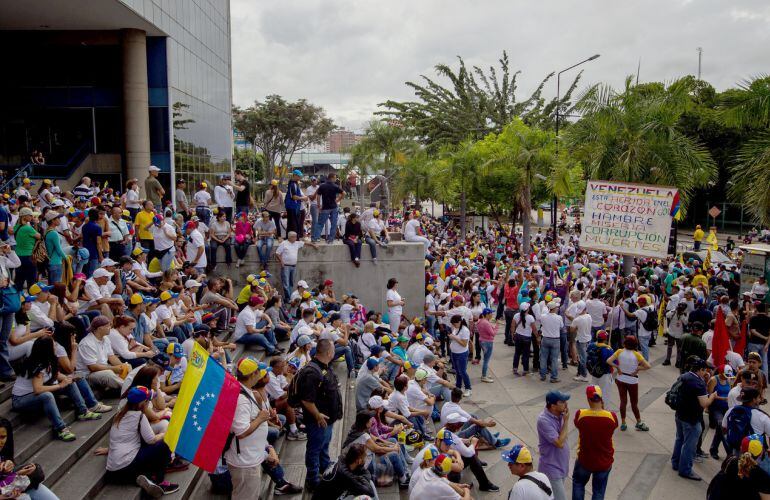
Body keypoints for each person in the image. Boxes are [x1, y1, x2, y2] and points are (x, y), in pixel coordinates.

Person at [12, 337, 102, 442]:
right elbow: (38, 389)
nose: (56, 346)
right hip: (21, 400)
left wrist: (71, 379)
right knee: (47, 395)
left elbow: (56, 375)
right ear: (47, 349)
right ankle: (61, 429)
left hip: (36, 394)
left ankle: (83, 411)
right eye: (54, 344)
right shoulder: (37, 365)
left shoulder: (50, 359)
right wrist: (60, 385)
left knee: (70, 382)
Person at [105, 386, 178, 497]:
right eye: (147, 401)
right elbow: (152, 440)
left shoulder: (119, 415)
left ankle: (147, 477)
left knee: (147, 448)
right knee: (164, 444)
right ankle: (159, 481)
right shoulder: (139, 416)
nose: (148, 403)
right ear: (141, 403)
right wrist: (165, 434)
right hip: (128, 464)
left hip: (113, 471)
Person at [297, 339, 343, 490]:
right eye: (333, 349)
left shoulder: (323, 366)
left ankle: (324, 465)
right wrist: (317, 415)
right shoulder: (311, 372)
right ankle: (312, 478)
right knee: (314, 448)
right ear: (329, 352)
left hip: (327, 419)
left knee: (324, 445)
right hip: (318, 421)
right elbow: (306, 399)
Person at [672, 356, 717, 481]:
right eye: (706, 370)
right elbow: (704, 403)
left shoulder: (685, 376)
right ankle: (685, 470)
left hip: (680, 414)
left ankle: (676, 462)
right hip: (691, 419)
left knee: (679, 439)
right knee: (690, 446)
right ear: (701, 369)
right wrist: (712, 396)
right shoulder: (698, 383)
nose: (707, 372)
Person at [572, 385, 618, 500]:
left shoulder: (580, 414)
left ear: (588, 399)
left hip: (585, 460)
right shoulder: (611, 417)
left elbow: (577, 424)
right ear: (601, 399)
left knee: (578, 484)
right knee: (598, 491)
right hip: (604, 461)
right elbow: (614, 426)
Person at [0, 417, 60, 500]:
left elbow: (7, 481)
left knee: (37, 487)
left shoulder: (4, 453)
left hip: (9, 490)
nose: (0, 442)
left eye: (2, 437)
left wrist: (20, 473)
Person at [605, 335, 650, 432]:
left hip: (621, 379)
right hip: (632, 380)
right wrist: (638, 368)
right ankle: (638, 422)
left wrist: (617, 367)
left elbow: (608, 361)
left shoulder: (619, 351)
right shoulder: (637, 354)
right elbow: (648, 366)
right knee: (634, 404)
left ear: (624, 343)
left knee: (623, 401)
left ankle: (624, 423)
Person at [75, 315, 131, 391]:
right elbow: (92, 367)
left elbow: (112, 357)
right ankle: (129, 389)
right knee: (108, 374)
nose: (110, 328)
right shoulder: (87, 343)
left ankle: (129, 386)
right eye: (108, 326)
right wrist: (114, 369)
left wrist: (122, 366)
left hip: (103, 368)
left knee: (127, 366)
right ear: (99, 328)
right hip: (88, 374)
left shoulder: (105, 338)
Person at [312, 443, 377, 499]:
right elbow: (370, 492)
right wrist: (359, 478)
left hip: (324, 494)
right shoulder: (345, 474)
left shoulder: (344, 457)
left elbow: (366, 472)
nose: (365, 459)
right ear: (359, 461)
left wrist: (359, 478)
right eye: (364, 457)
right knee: (366, 496)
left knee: (367, 484)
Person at [537, 391, 570, 500]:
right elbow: (559, 443)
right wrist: (566, 422)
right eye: (562, 402)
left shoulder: (560, 414)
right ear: (553, 406)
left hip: (561, 465)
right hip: (551, 468)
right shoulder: (543, 420)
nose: (566, 404)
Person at [313, 172, 344, 243]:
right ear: (332, 178)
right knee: (333, 224)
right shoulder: (335, 186)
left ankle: (315, 238)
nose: (336, 179)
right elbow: (343, 193)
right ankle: (330, 240)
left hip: (325, 207)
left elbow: (318, 196)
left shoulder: (322, 186)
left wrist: (318, 205)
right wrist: (338, 200)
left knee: (320, 224)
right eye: (335, 177)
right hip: (334, 207)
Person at [540, 301, 564, 383]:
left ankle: (542, 375)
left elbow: (541, 324)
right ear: (554, 308)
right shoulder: (559, 317)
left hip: (545, 338)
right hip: (555, 339)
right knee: (554, 359)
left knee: (543, 357)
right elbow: (561, 327)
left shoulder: (543, 316)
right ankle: (554, 377)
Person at [448, 314, 472, 397]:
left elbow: (464, 344)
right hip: (454, 353)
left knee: (462, 372)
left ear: (459, 322)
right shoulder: (456, 328)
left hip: (461, 354)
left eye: (454, 323)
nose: (453, 325)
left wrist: (454, 338)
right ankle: (458, 386)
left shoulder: (465, 330)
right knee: (457, 371)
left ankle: (468, 388)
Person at [476, 307, 497, 382]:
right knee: (486, 360)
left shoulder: (480, 321)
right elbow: (493, 334)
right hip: (487, 342)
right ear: (487, 314)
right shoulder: (486, 323)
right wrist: (496, 327)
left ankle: (484, 374)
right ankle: (484, 376)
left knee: (485, 359)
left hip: (482, 341)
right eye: (491, 313)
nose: (492, 314)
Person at [285, 170, 306, 236]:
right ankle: (294, 238)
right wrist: (303, 198)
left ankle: (292, 237)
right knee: (293, 223)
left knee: (292, 223)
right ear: (295, 175)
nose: (300, 178)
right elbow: (293, 197)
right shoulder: (293, 184)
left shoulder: (295, 183)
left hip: (294, 206)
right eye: (299, 176)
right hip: (292, 206)